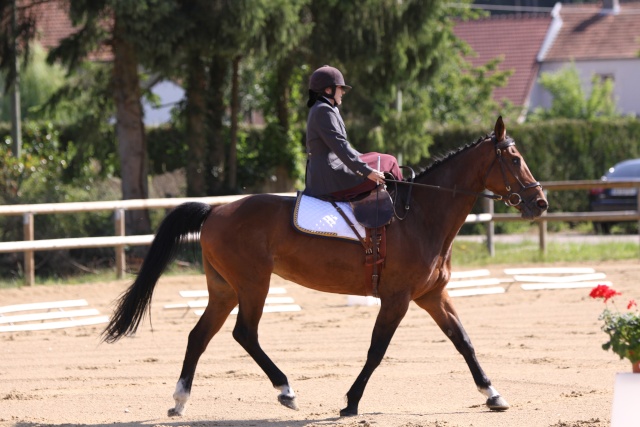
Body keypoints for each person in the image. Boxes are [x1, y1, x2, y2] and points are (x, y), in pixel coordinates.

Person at [304, 65, 403, 200]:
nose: (343, 92)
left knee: (377, 157)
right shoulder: (323, 111)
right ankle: (405, 201)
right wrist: (367, 171)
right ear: (328, 90)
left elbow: (344, 148)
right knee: (389, 161)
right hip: (329, 178)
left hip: (333, 169)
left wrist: (364, 162)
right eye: (340, 88)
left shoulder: (327, 109)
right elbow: (341, 147)